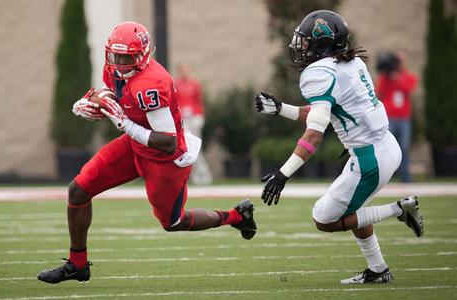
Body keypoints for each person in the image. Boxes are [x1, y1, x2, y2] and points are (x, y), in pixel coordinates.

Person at [37, 21, 256, 284]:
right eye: (114, 55)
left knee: (172, 222)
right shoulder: (116, 68)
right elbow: (115, 94)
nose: (117, 63)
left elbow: (168, 142)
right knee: (78, 190)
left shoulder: (152, 83)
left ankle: (235, 216)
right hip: (134, 144)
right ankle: (78, 264)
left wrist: (124, 123)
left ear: (142, 55)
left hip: (164, 160)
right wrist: (90, 102)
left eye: (125, 57)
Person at [254, 10, 423, 284]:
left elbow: (314, 135)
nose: (302, 47)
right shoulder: (350, 62)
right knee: (354, 210)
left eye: (307, 41)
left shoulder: (318, 73)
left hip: (370, 160)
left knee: (324, 218)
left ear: (322, 44)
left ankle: (399, 209)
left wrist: (283, 173)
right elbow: (323, 113)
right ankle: (378, 269)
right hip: (384, 146)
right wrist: (281, 109)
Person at [375, 50, 418, 182]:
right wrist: (388, 76)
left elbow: (408, 88)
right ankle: (386, 176)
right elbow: (379, 91)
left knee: (404, 147)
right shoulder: (385, 77)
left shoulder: (408, 76)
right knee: (386, 147)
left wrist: (397, 78)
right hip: (389, 118)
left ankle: (405, 176)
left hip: (404, 118)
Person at [175, 62, 213, 185]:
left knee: (196, 147)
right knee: (188, 147)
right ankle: (197, 176)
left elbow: (198, 101)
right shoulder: (176, 84)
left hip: (194, 117)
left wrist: (199, 116)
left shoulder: (195, 84)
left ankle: (204, 175)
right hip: (183, 119)